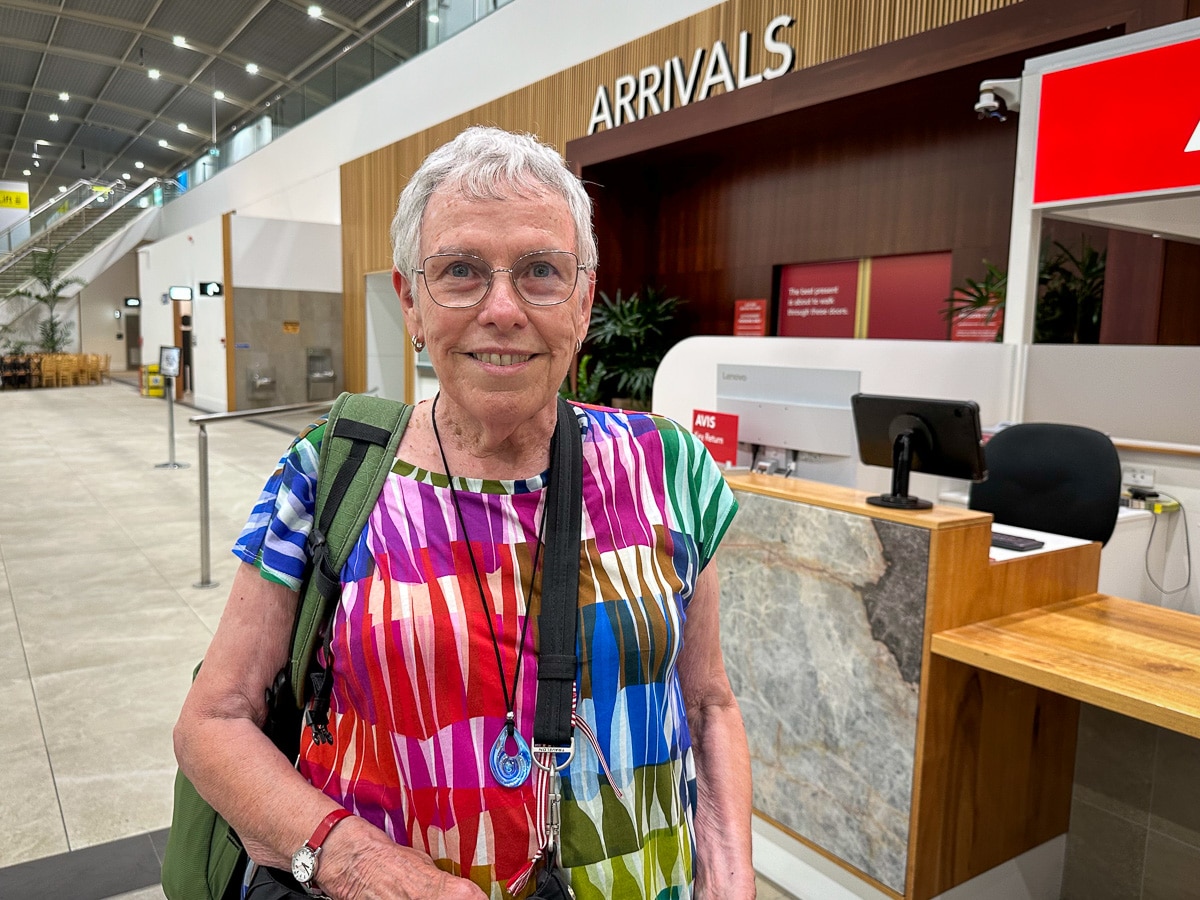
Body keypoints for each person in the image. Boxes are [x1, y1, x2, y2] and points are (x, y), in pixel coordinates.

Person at [174, 125, 755, 900]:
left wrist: (729, 877)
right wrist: (355, 863)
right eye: (460, 271)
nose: (503, 309)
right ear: (411, 302)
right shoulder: (328, 471)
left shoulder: (668, 469)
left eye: (542, 271)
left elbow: (709, 703)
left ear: (583, 300)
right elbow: (213, 722)